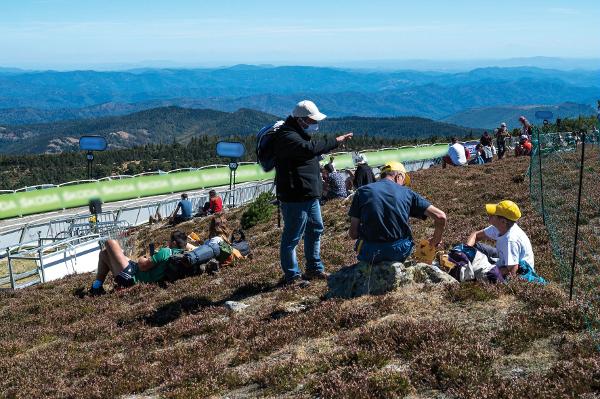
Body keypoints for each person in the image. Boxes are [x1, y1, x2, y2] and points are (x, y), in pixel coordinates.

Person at [271, 100, 353, 285]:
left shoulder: (299, 133)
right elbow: (309, 149)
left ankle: (314, 268)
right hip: (295, 196)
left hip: (309, 194)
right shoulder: (287, 136)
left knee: (315, 229)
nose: (315, 124)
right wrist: (335, 141)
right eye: (312, 120)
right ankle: (292, 276)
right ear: (301, 119)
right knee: (292, 236)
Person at [348, 161, 447, 263]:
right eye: (404, 181)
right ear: (398, 176)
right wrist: (435, 240)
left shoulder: (362, 191)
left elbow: (353, 234)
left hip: (371, 252)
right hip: (399, 251)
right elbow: (440, 216)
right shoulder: (407, 193)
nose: (403, 185)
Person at [466, 200, 543, 283]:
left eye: (494, 214)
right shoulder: (500, 227)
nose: (489, 214)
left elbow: (513, 270)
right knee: (476, 247)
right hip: (504, 258)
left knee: (479, 275)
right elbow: (476, 235)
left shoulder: (510, 241)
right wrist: (465, 249)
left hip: (517, 271)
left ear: (503, 221)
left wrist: (489, 272)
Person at [89, 230, 188, 295]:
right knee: (104, 253)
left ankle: (96, 288)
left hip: (133, 277)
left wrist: (142, 258)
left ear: (174, 243)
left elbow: (142, 266)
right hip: (137, 273)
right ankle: (96, 288)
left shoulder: (166, 252)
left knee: (110, 243)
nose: (168, 242)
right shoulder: (182, 254)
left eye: (170, 240)